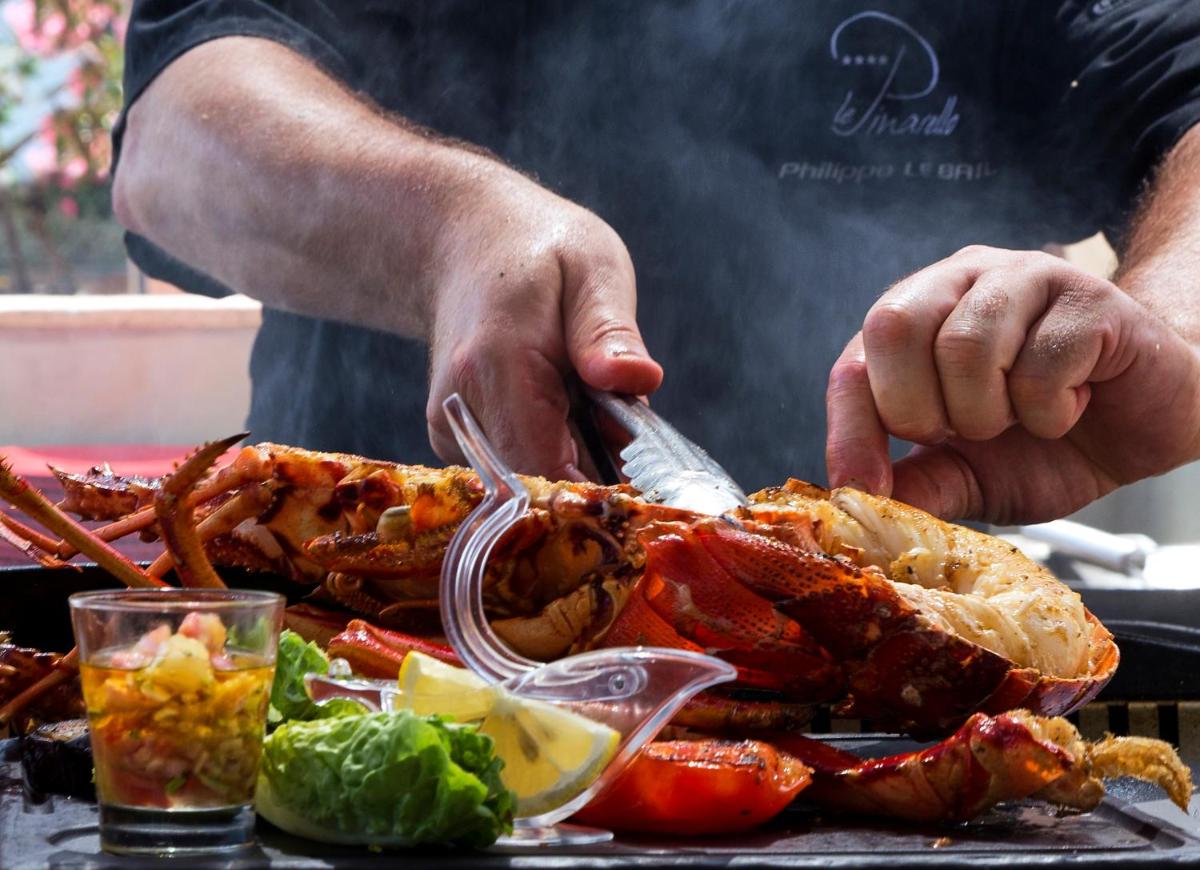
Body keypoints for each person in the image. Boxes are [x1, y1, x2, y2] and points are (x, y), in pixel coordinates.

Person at [113, 1, 1200, 525]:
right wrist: (442, 232)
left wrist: (1170, 338)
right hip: (370, 659)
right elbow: (173, 139)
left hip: (876, 696)